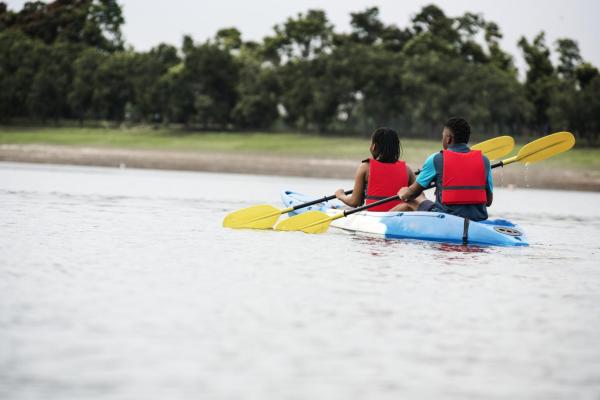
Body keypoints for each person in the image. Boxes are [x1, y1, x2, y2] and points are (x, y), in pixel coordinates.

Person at [393, 117, 493, 221]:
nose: (442, 140)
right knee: (423, 200)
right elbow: (489, 202)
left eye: (443, 137)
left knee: (411, 200)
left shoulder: (435, 159)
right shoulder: (485, 161)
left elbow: (412, 194)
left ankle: (380, 222)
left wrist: (403, 192)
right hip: (477, 219)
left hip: (445, 219)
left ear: (448, 138)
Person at [335, 127, 424, 212]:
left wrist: (340, 195)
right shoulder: (407, 170)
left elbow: (354, 202)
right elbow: (420, 197)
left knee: (339, 208)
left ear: (374, 146)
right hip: (399, 215)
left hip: (374, 216)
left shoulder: (365, 167)